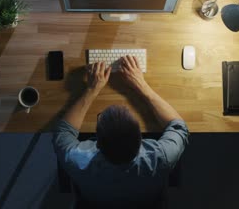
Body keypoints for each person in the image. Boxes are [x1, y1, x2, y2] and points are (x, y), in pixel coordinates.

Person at [52, 55, 189, 209]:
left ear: (96, 143)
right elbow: (179, 127)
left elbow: (62, 133)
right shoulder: (160, 157)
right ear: (141, 139)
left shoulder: (78, 160)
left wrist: (91, 89)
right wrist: (142, 85)